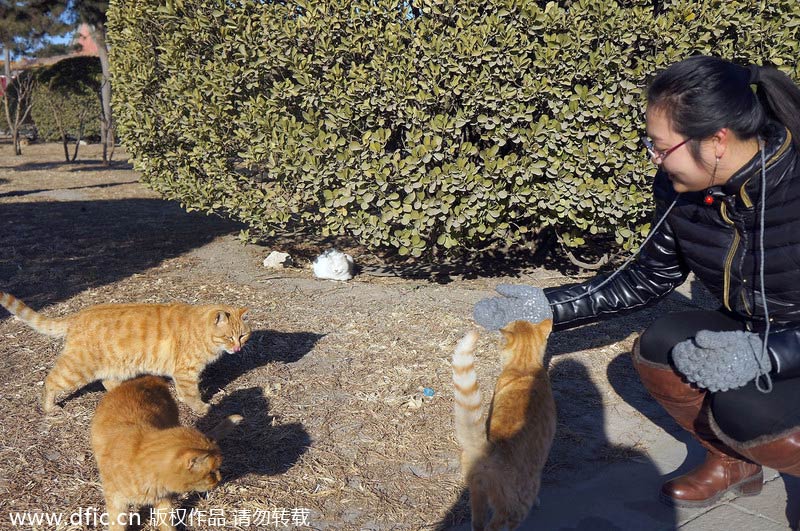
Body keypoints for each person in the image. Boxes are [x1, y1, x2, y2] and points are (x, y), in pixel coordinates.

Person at [473, 55, 800, 508]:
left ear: (717, 141)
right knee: (661, 347)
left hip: (786, 344)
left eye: (661, 146)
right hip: (757, 336)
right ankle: (733, 463)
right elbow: (647, 275)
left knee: (747, 411)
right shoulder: (683, 188)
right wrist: (544, 308)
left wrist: (767, 353)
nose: (654, 157)